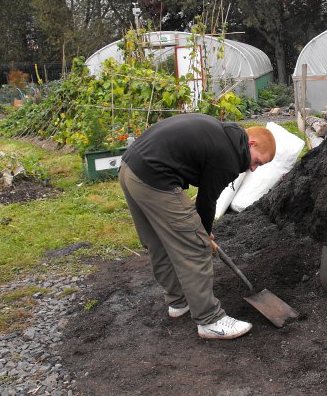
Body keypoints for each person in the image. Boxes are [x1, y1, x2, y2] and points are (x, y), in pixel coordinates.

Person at [118, 113, 276, 340]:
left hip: (130, 169)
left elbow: (205, 198)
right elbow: (207, 199)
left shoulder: (222, 135)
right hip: (154, 176)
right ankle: (210, 320)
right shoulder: (229, 156)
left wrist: (202, 226)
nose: (253, 169)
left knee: (159, 242)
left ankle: (178, 302)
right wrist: (202, 232)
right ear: (251, 144)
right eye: (257, 161)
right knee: (196, 247)